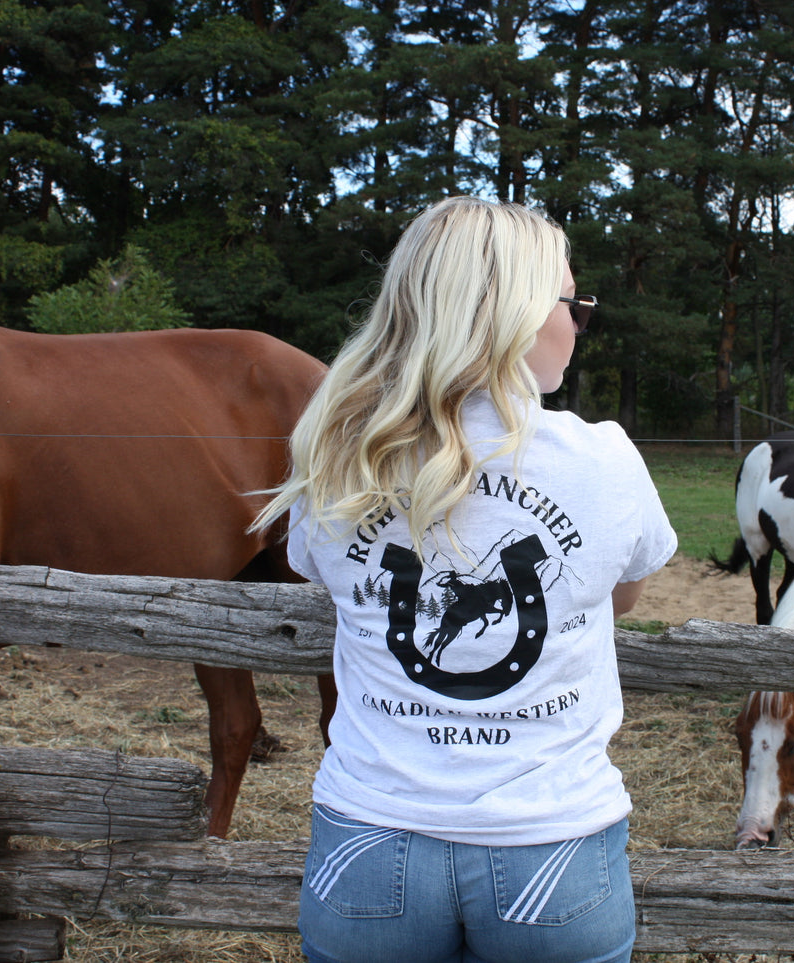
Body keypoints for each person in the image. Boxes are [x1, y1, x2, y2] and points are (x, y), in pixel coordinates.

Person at [251, 196, 677, 963]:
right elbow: (621, 593)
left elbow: (328, 579)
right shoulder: (603, 459)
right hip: (549, 846)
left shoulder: (339, 455)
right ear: (514, 311)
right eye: (570, 302)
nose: (578, 323)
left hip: (371, 841)